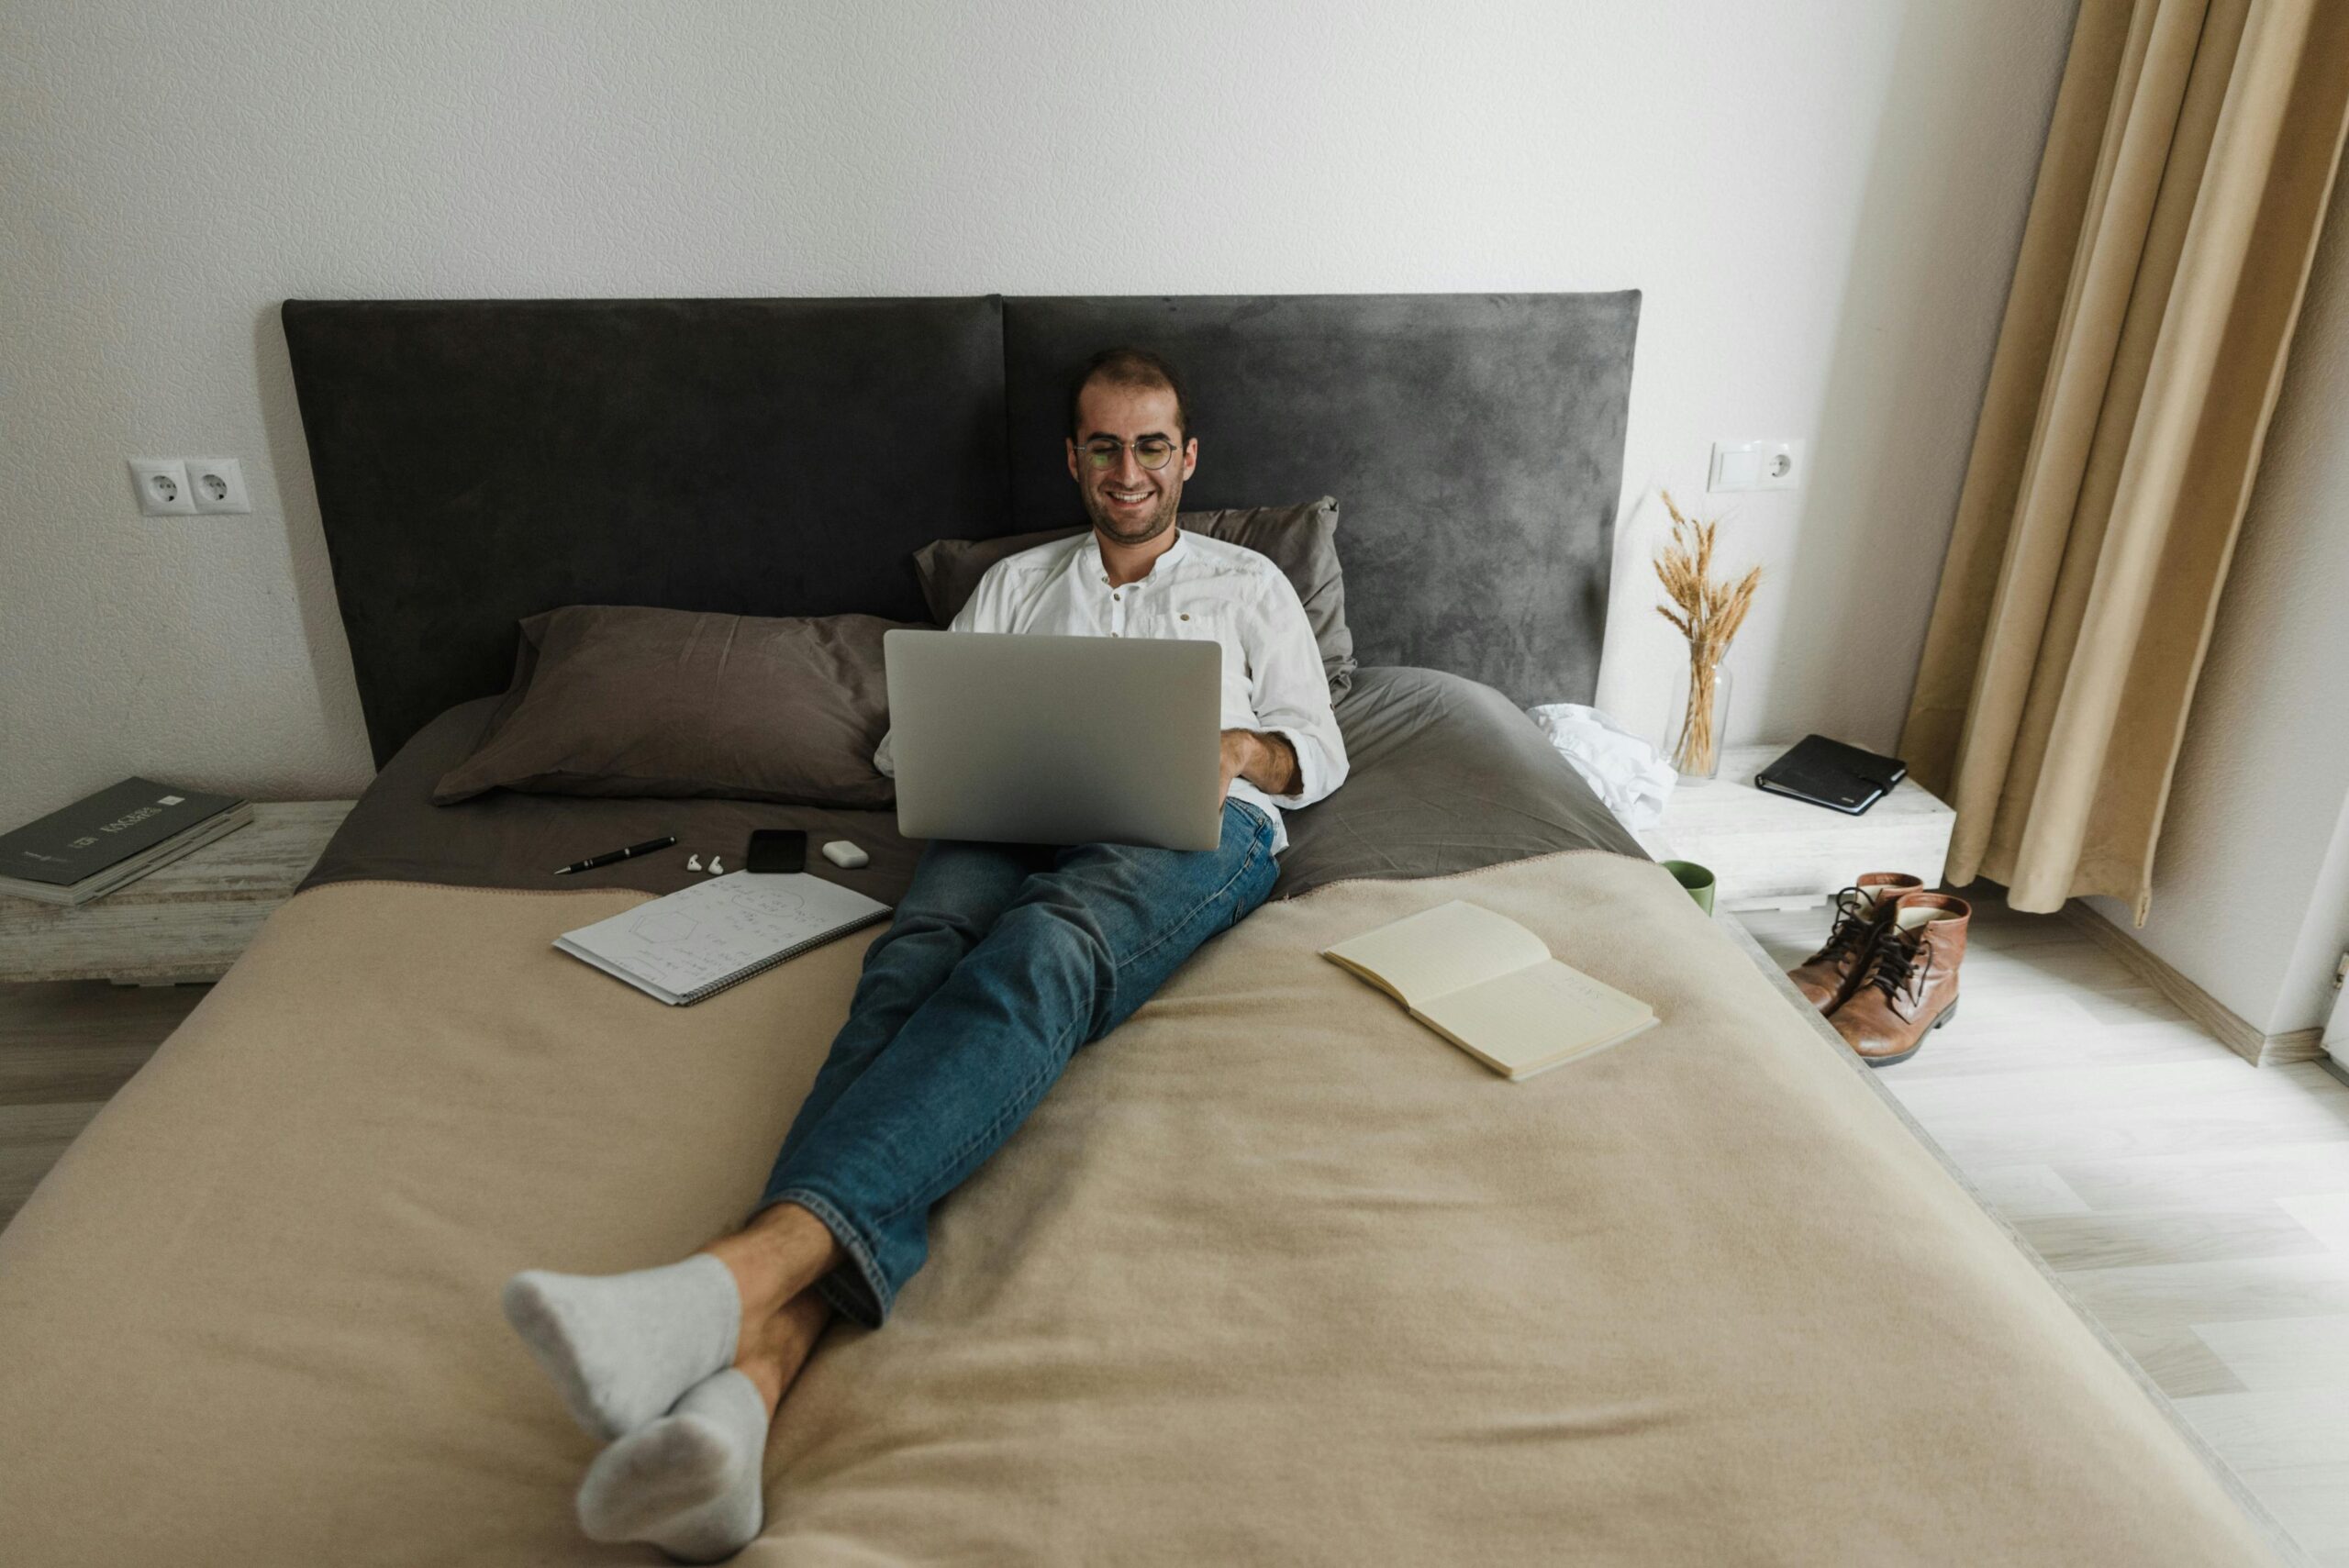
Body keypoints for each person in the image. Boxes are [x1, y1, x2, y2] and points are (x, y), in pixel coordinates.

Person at [499, 346, 1349, 1562]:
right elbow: (915, 746)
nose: (1127, 470)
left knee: (1046, 947)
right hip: (1009, 806)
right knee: (908, 970)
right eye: (1102, 445)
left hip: (1193, 821)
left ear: (1188, 455)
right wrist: (971, 742)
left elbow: (1319, 747)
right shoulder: (1012, 585)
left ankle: (725, 1281)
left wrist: (1234, 747)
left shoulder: (1249, 584)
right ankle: (742, 1399)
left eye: (1151, 444)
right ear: (1073, 457)